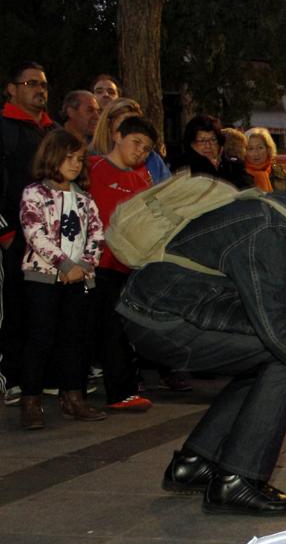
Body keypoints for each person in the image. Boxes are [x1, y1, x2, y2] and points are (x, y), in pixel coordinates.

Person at [119, 154, 286, 516]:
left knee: (281, 354)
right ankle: (238, 480)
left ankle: (196, 463)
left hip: (166, 310)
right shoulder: (271, 229)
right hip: (161, 318)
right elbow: (275, 328)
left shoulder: (278, 217)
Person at [17, 130, 106, 428]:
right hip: (43, 278)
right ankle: (31, 401)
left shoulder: (84, 198)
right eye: (69, 158)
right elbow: (34, 233)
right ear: (52, 157)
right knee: (40, 338)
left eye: (80, 159)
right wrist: (64, 264)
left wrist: (82, 264)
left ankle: (74, 397)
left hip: (78, 278)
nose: (75, 164)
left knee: (74, 339)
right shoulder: (34, 193)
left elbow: (96, 234)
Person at [88, 115, 159, 411]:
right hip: (95, 262)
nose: (140, 152)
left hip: (128, 265)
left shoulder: (143, 177)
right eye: (136, 143)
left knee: (119, 328)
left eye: (146, 149)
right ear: (117, 136)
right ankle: (108, 390)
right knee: (99, 328)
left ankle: (123, 390)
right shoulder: (92, 167)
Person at [1, 61, 58, 403]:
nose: (40, 90)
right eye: (32, 83)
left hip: (48, 239)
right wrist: (4, 230)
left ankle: (42, 375)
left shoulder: (52, 132)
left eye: (44, 85)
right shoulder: (3, 126)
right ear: (12, 88)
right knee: (12, 306)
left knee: (43, 307)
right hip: (11, 234)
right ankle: (12, 378)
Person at [91, 97, 171, 184]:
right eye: (127, 122)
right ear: (109, 123)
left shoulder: (151, 159)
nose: (133, 129)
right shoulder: (89, 159)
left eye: (136, 123)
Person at [243, 127, 286, 192]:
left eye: (260, 147)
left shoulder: (280, 173)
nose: (256, 153)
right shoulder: (239, 175)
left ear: (268, 149)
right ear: (244, 151)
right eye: (251, 149)